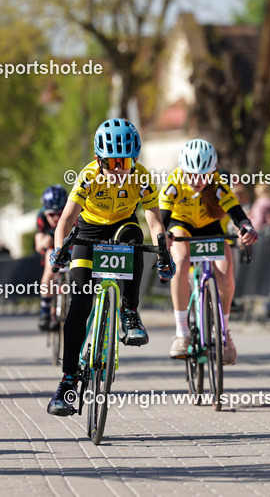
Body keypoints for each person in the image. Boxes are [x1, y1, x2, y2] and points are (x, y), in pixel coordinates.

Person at [46, 118, 175, 415]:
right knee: (79, 304)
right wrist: (58, 249)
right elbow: (66, 220)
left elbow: (155, 220)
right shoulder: (88, 176)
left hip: (122, 227)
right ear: (97, 159)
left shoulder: (141, 177)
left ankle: (130, 312)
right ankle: (67, 382)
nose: (119, 170)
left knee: (136, 236)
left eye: (126, 162)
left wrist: (164, 252)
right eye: (112, 163)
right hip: (88, 232)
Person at [161, 139, 259, 364]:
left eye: (203, 175)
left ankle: (224, 333)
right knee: (182, 259)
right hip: (181, 225)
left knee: (226, 273)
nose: (197, 180)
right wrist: (162, 238)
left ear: (213, 171)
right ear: (183, 170)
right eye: (191, 175)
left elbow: (236, 212)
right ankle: (182, 332)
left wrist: (247, 228)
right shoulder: (174, 182)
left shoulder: (217, 184)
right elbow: (164, 216)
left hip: (210, 227)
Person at [35, 185, 68, 332]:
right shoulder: (41, 217)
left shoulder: (74, 213)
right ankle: (45, 309)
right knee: (49, 261)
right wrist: (45, 241)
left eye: (60, 213)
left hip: (69, 246)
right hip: (52, 249)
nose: (56, 218)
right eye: (51, 214)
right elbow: (38, 243)